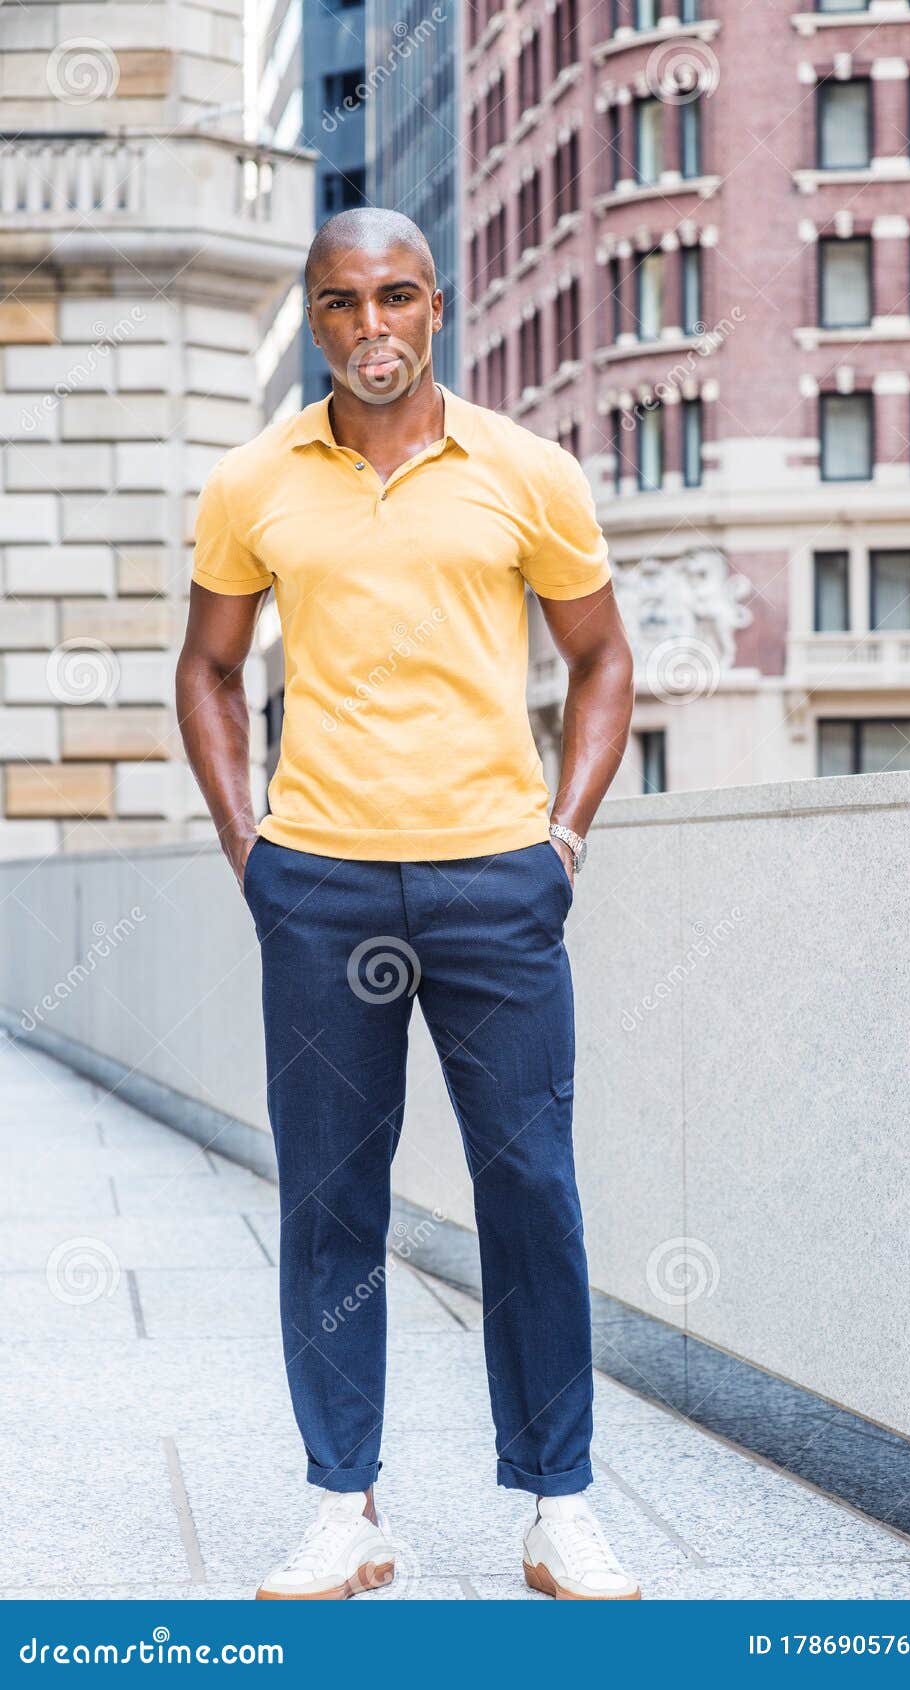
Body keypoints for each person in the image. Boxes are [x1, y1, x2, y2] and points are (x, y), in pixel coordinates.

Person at [176, 208, 638, 1601]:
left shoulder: (528, 472)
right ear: (312, 321)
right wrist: (249, 845)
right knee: (328, 1199)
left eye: (394, 297)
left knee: (532, 1189)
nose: (370, 325)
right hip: (318, 887)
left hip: (497, 881)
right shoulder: (254, 482)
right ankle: (343, 1503)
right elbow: (207, 668)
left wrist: (561, 839)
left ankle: (559, 1504)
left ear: (438, 306)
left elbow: (603, 656)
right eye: (340, 304)